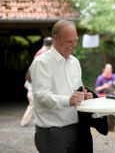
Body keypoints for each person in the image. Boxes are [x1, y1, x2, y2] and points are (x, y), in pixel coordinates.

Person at [29, 20, 93, 153]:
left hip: (77, 129)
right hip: (53, 132)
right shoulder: (41, 63)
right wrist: (68, 100)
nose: (73, 45)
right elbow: (41, 97)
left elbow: (77, 90)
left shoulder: (75, 62)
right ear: (55, 38)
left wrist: (85, 96)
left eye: (75, 40)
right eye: (69, 41)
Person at [20, 37, 52, 127]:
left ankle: (41, 120)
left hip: (34, 81)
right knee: (33, 103)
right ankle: (24, 122)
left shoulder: (40, 52)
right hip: (34, 82)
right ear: (50, 45)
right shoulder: (43, 53)